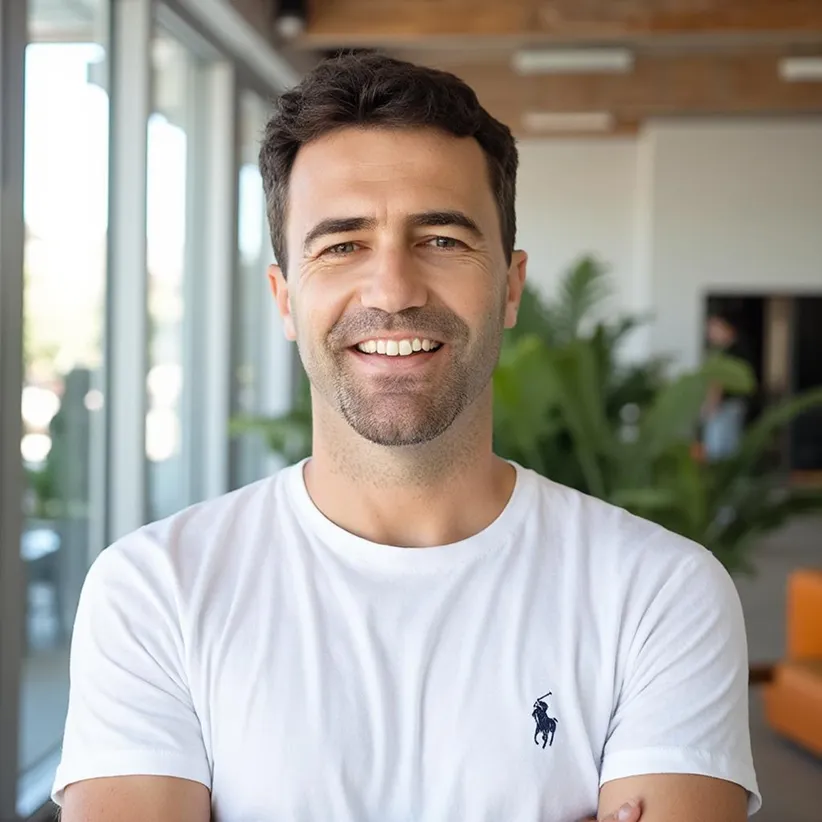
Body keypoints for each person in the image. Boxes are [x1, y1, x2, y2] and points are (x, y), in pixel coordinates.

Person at [54, 53, 760, 822]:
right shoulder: (155, 592)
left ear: (510, 286)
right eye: (341, 245)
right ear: (285, 299)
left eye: (442, 240)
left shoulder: (659, 593)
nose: (393, 290)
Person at [703, 310, 754, 460]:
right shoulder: (733, 350)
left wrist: (710, 406)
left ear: (728, 328)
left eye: (714, 328)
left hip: (725, 406)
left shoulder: (729, 353)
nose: (710, 333)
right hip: (733, 405)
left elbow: (718, 382)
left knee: (718, 450)